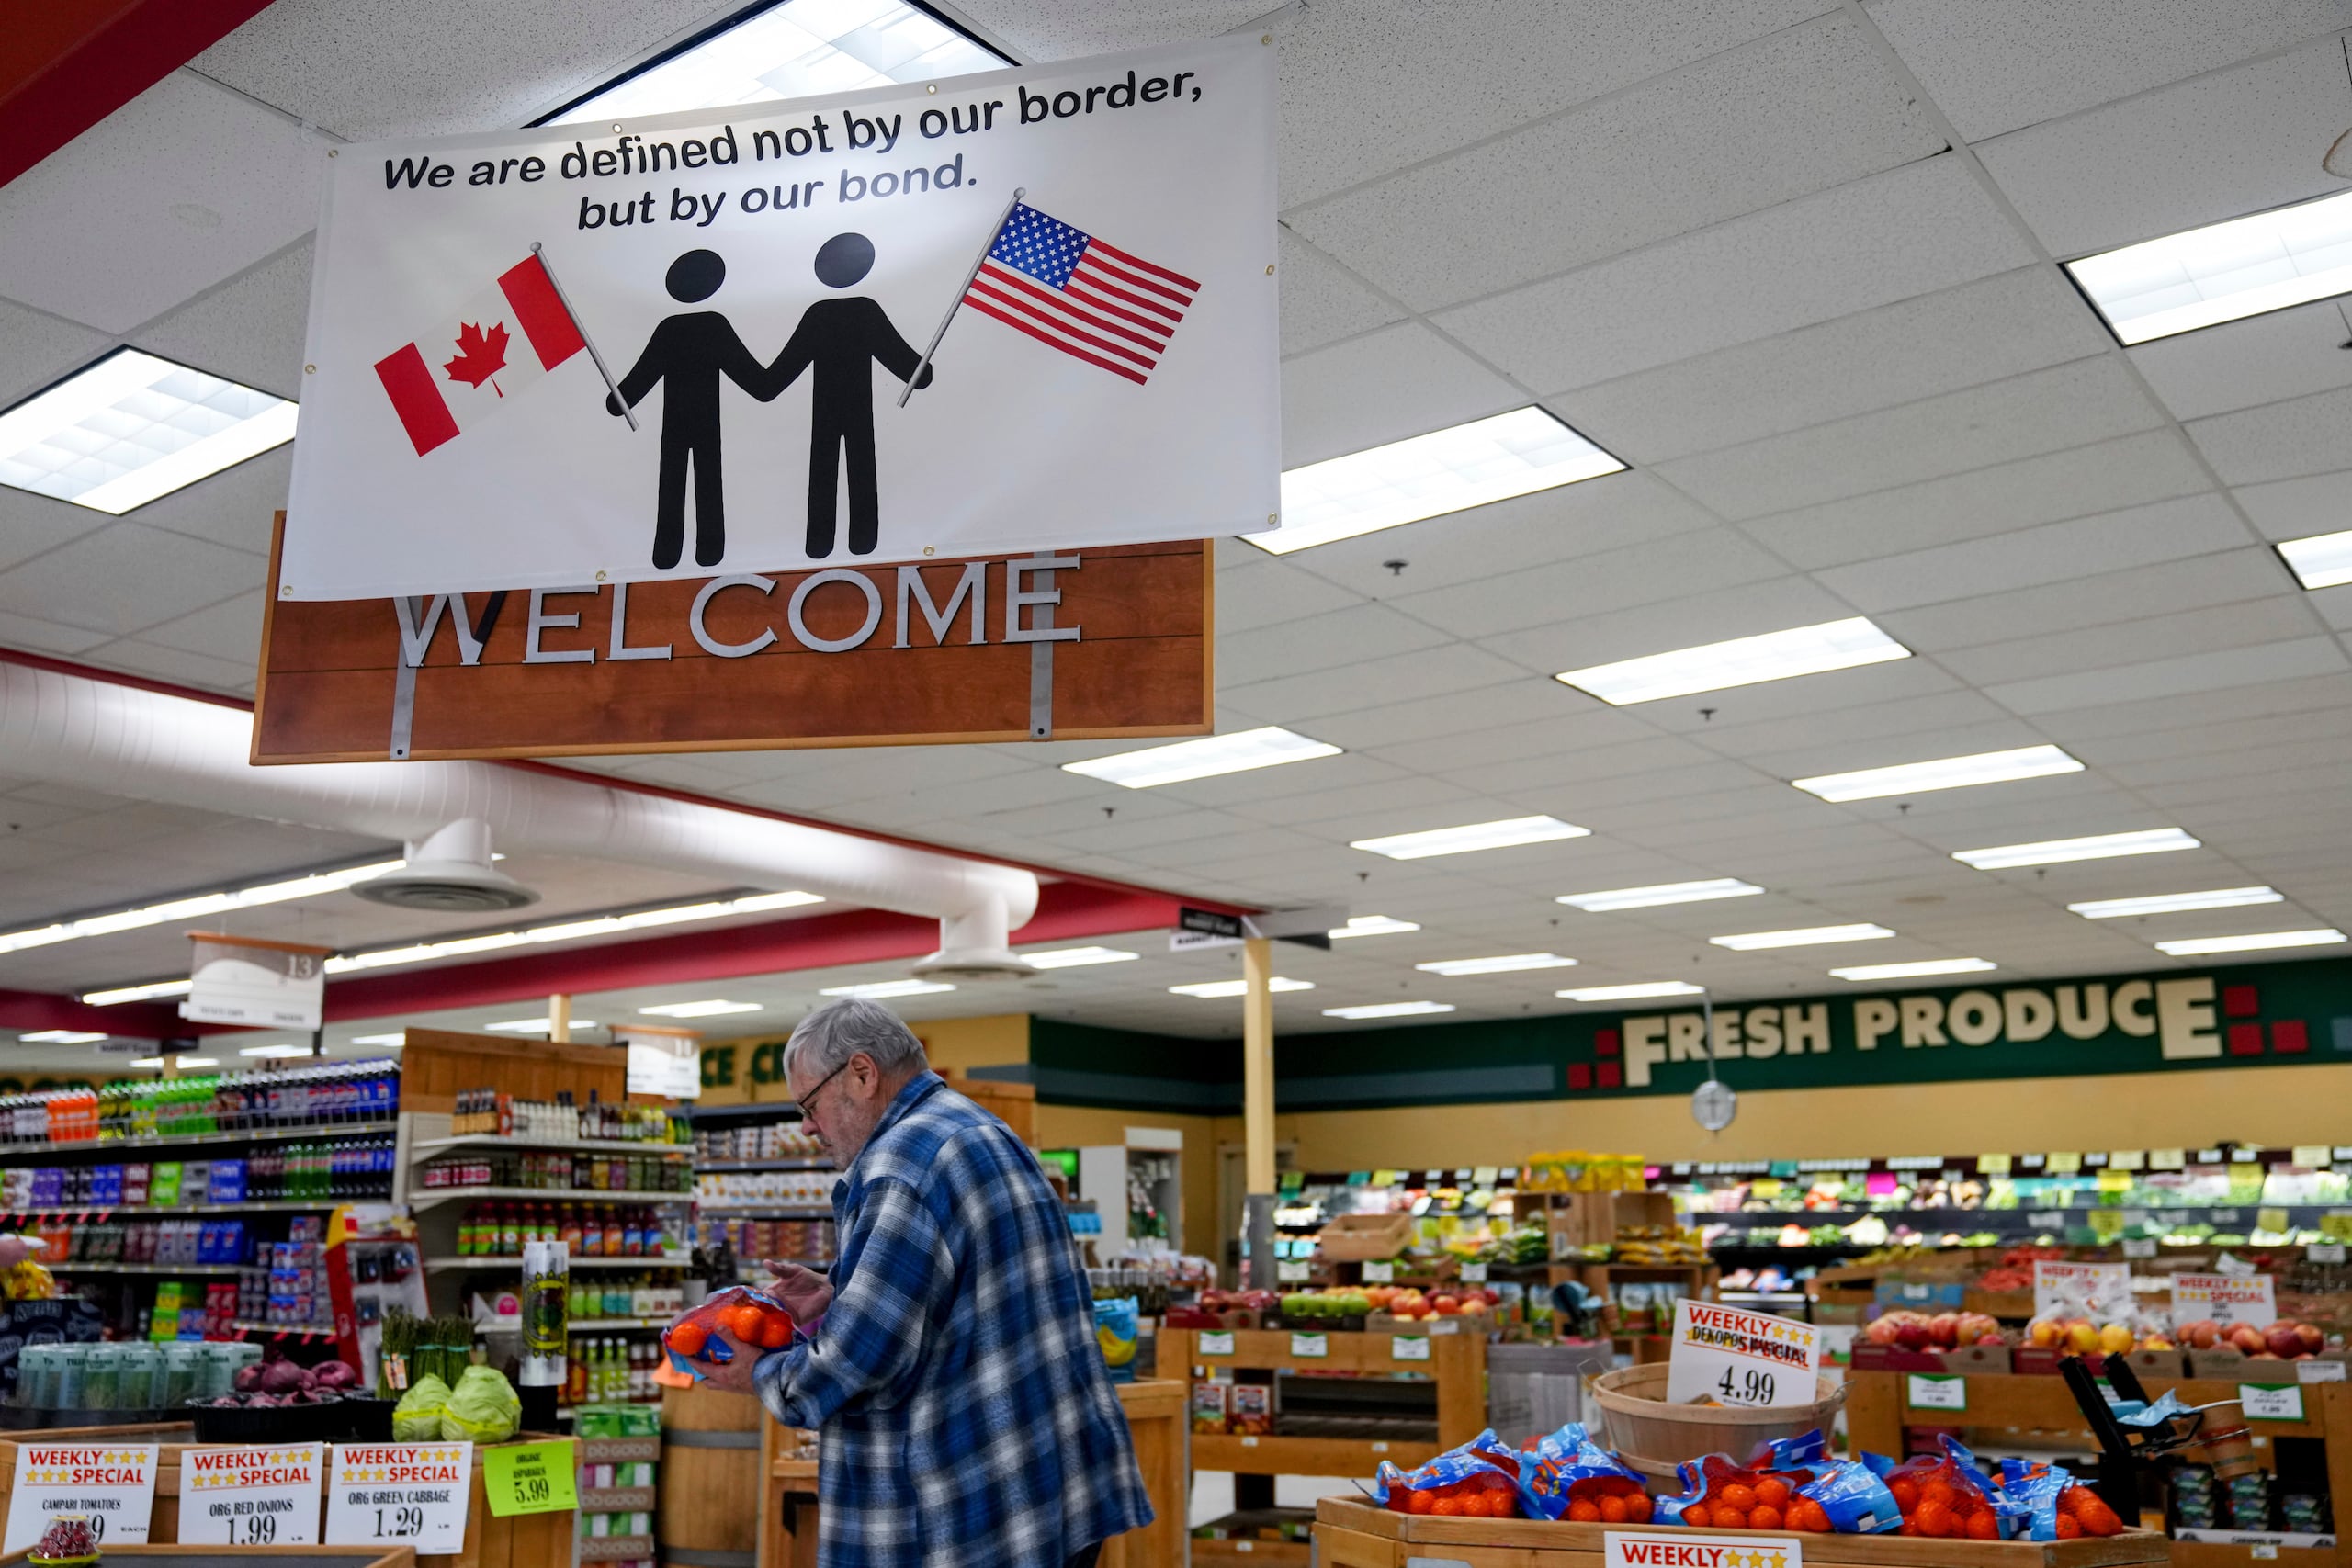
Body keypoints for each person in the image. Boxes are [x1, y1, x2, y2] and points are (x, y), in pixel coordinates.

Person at [695, 998, 1148, 1568]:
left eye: (809, 1104)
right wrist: (841, 1291)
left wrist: (759, 1373)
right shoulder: (975, 1126)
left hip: (971, 1512)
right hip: (1047, 1481)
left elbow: (857, 1362)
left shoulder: (901, 1166)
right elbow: (964, 1293)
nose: (806, 1126)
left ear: (861, 1074)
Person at [606, 249, 780, 570]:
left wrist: (619, 400)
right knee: (708, 482)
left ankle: (667, 552)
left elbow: (639, 379)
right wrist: (773, 382)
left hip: (674, 423)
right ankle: (710, 551)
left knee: (672, 483)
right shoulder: (714, 325)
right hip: (705, 423)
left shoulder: (669, 329)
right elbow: (756, 381)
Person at [769, 233, 934, 558]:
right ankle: (862, 541)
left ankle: (818, 544)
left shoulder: (818, 314)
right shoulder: (865, 310)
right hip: (858, 408)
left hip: (827, 410)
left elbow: (779, 375)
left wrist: (759, 383)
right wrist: (923, 371)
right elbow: (910, 367)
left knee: (823, 469)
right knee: (861, 468)